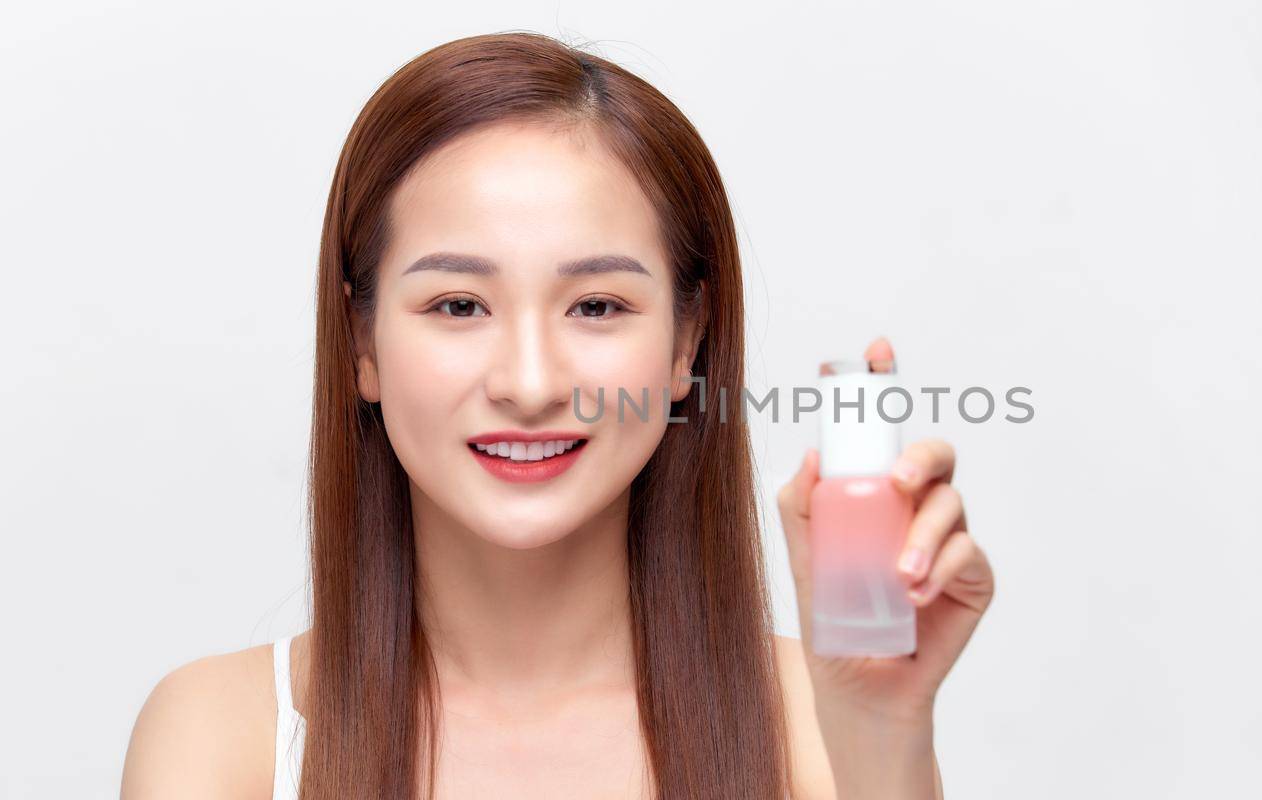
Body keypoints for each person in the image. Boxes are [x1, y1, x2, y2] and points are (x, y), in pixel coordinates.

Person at [120, 31, 994, 799]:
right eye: (459, 306)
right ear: (363, 344)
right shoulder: (223, 740)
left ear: (687, 343)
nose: (531, 383)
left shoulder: (821, 724)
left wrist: (882, 740)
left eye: (597, 307)